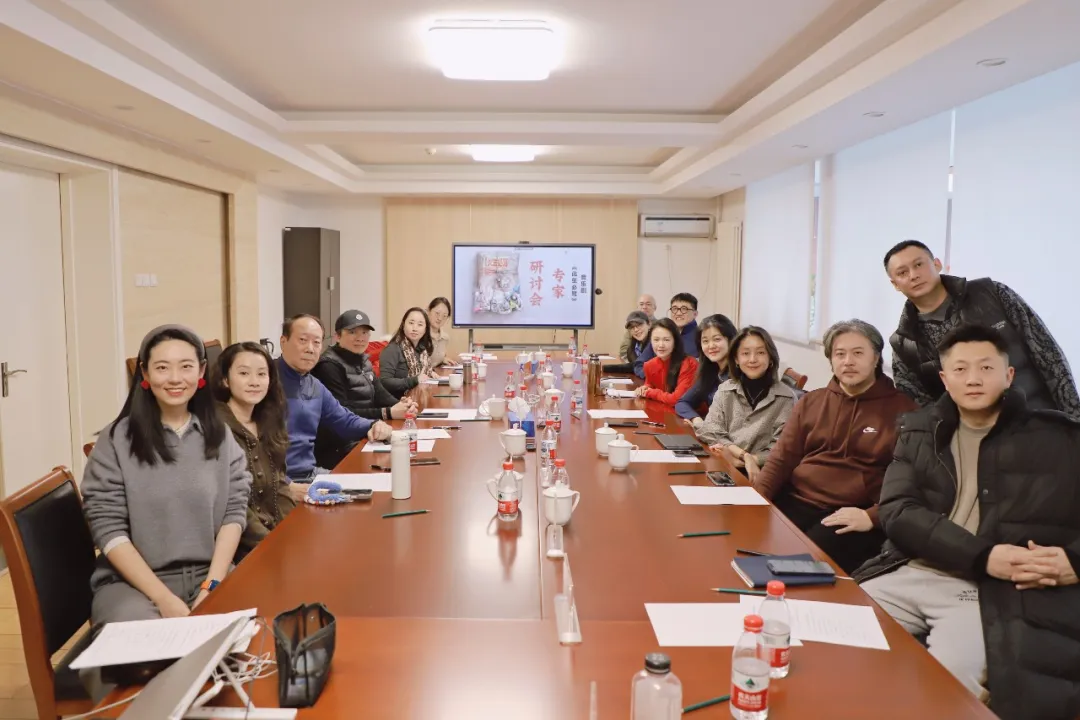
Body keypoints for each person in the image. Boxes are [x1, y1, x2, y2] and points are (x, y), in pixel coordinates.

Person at [856, 324, 1080, 720]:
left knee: (947, 690)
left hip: (983, 592)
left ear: (1008, 375)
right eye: (960, 369)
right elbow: (897, 511)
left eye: (986, 368)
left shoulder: (1059, 439)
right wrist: (984, 555)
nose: (973, 378)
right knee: (823, 636)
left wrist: (1075, 562)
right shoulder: (919, 431)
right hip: (909, 571)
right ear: (945, 379)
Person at [81, 325, 251, 625]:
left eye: (185, 367)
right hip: (132, 585)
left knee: (254, 637)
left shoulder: (219, 435)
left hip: (211, 574)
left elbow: (234, 513)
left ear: (201, 371)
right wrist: (163, 598)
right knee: (147, 646)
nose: (175, 378)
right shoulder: (116, 440)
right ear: (144, 373)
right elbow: (107, 527)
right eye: (162, 367)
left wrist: (212, 585)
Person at [752, 320, 917, 573]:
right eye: (840, 354)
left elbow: (913, 484)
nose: (848, 361)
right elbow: (781, 459)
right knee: (750, 542)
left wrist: (872, 517)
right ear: (831, 360)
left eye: (858, 353)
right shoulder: (812, 401)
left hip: (850, 513)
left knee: (794, 568)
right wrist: (754, 500)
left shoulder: (904, 411)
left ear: (876, 358)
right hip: (796, 498)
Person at [884, 239, 1080, 419]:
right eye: (902, 273)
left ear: (936, 264)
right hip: (981, 438)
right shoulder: (905, 343)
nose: (914, 275)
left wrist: (1073, 417)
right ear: (895, 284)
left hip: (1044, 419)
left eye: (919, 264)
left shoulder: (992, 294)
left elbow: (1047, 353)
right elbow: (921, 408)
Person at [278, 314, 392, 493]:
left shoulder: (313, 385)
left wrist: (374, 424)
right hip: (280, 484)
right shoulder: (265, 382)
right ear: (283, 342)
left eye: (316, 342)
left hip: (311, 474)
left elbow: (344, 420)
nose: (310, 349)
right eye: (302, 340)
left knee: (380, 489)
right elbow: (251, 453)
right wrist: (284, 486)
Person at [213, 341, 295, 562]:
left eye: (261, 374)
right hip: (237, 549)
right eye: (244, 373)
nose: (254, 382)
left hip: (276, 537)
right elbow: (230, 504)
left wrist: (294, 530)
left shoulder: (269, 418)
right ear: (225, 379)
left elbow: (279, 483)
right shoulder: (215, 428)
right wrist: (272, 544)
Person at [311, 310, 418, 468]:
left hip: (368, 433)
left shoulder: (363, 360)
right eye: (352, 332)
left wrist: (402, 405)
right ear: (337, 336)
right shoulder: (329, 365)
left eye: (365, 332)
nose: (360, 338)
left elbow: (380, 393)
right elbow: (342, 413)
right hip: (342, 445)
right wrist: (388, 412)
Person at [697, 326, 796, 482]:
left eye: (760, 353)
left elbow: (783, 448)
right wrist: (743, 455)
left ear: (771, 358)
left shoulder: (786, 398)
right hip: (723, 467)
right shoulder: (725, 390)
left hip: (764, 475)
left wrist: (751, 460)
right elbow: (709, 430)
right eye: (745, 353)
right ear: (736, 359)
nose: (752, 359)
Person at [675, 313, 738, 429]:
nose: (711, 346)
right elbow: (682, 403)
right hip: (711, 434)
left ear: (731, 340)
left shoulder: (739, 374)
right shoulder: (711, 371)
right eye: (705, 341)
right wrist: (696, 419)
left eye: (717, 339)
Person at [634, 318, 699, 407]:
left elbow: (677, 400)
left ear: (675, 341)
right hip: (664, 410)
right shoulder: (649, 365)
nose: (661, 345)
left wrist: (650, 392)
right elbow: (650, 385)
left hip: (690, 413)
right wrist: (644, 389)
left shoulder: (689, 364)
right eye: (656, 340)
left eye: (666, 340)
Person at [378, 307, 437, 397]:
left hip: (419, 397)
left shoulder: (422, 350)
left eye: (420, 324)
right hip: (397, 401)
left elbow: (421, 373)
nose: (415, 328)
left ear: (425, 329)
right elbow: (385, 382)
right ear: (403, 325)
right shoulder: (392, 349)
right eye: (411, 323)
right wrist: (414, 380)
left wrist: (430, 372)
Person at [634, 292, 701, 368]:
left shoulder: (701, 336)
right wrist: (650, 373)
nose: (678, 313)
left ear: (695, 314)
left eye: (684, 309)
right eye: (675, 309)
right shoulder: (662, 332)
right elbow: (639, 364)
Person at [603, 310, 651, 378]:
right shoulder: (631, 349)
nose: (636, 330)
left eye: (639, 325)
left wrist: (606, 368)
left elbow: (637, 366)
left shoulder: (654, 344)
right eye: (632, 327)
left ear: (649, 325)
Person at [618, 294, 657, 361]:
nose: (644, 307)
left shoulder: (660, 327)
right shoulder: (631, 328)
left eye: (648, 304)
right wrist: (631, 363)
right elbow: (624, 350)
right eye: (641, 304)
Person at [426, 297, 453, 369]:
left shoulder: (445, 338)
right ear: (428, 311)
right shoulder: (419, 335)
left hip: (436, 374)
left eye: (444, 316)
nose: (440, 318)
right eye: (437, 313)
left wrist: (442, 360)